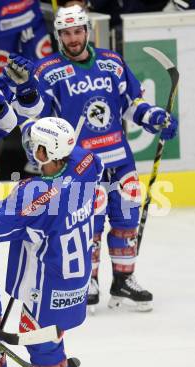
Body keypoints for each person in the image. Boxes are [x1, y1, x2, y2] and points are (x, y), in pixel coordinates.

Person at [25, 5, 178, 311]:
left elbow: (131, 105)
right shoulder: (46, 71)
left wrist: (154, 117)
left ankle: (123, 280)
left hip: (120, 158)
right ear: (58, 36)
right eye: (66, 33)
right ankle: (89, 281)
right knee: (88, 225)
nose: (73, 39)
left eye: (78, 31)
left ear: (87, 32)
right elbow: (36, 121)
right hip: (80, 164)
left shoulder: (112, 63)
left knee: (126, 221)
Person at [0, 116, 103, 367]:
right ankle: (51, 366)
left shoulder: (34, 194)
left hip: (46, 290)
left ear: (45, 152)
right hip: (77, 284)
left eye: (36, 146)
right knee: (53, 340)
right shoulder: (87, 166)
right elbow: (78, 154)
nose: (31, 149)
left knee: (44, 352)